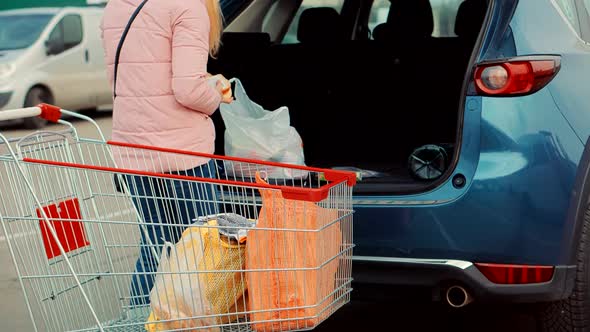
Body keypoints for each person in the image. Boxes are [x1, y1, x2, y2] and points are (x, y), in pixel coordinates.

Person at [100, 0, 233, 307]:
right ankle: (198, 323)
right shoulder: (187, 7)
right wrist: (218, 94)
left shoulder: (115, 7)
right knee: (203, 247)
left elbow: (124, 83)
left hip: (132, 150)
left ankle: (137, 321)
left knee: (156, 245)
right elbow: (188, 89)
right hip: (183, 151)